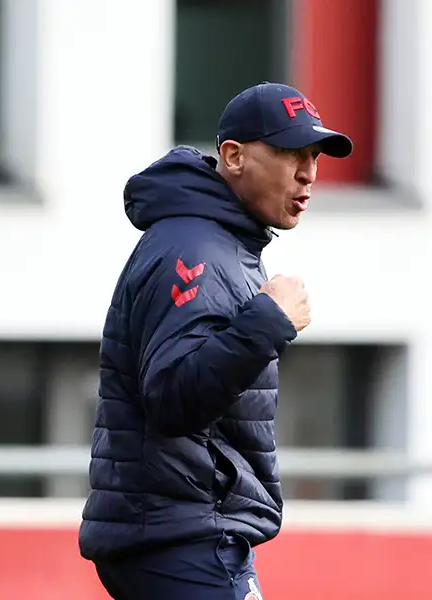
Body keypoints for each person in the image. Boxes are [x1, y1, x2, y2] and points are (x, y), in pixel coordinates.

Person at [78, 82, 353, 599]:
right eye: (291, 154)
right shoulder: (195, 250)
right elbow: (174, 397)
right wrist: (268, 321)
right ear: (234, 157)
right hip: (181, 536)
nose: (308, 174)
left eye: (314, 157)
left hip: (176, 532)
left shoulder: (218, 244)